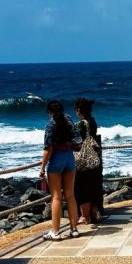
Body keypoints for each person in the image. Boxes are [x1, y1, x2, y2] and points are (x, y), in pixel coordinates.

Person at [39, 100, 82, 241]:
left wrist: (42, 168)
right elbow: (78, 138)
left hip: (56, 160)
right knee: (70, 195)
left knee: (56, 197)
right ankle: (74, 229)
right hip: (69, 158)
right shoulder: (69, 119)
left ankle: (55, 232)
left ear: (49, 112)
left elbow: (48, 148)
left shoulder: (50, 125)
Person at [73, 97, 103, 225]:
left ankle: (85, 216)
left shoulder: (81, 124)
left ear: (79, 110)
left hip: (83, 161)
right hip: (93, 159)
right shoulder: (93, 121)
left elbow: (78, 140)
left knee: (82, 188)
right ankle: (95, 214)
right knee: (93, 187)